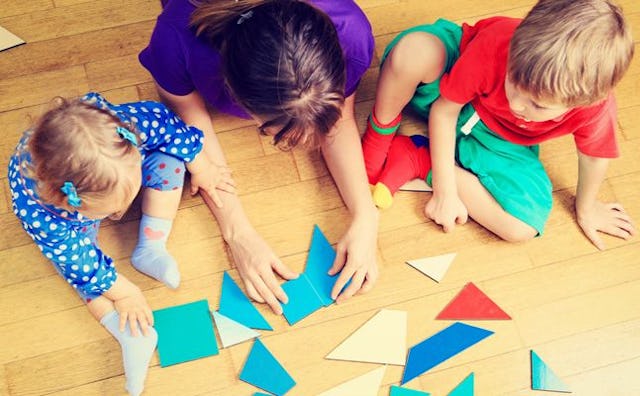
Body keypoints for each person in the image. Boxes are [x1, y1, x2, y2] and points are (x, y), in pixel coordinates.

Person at [139, 0, 379, 314]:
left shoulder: (349, 31)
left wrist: (366, 215)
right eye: (272, 130)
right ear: (232, 91)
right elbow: (190, 130)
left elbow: (340, 120)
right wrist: (236, 231)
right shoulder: (175, 39)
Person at [7, 92, 232, 395]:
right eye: (111, 210)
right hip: (67, 224)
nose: (119, 215)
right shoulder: (47, 215)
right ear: (71, 203)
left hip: (103, 174)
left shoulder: (128, 129)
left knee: (172, 161)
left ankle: (152, 246)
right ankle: (126, 332)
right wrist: (126, 293)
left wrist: (202, 166)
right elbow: (83, 266)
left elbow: (171, 129)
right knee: (73, 266)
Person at [362, 0, 636, 248]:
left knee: (522, 227)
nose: (516, 104)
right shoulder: (497, 43)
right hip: (445, 93)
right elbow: (445, 111)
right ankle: (379, 133)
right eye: (512, 81)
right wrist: (445, 192)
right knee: (412, 51)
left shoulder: (595, 109)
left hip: (500, 140)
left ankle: (420, 158)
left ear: (584, 101)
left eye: (537, 104)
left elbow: (593, 158)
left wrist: (586, 208)